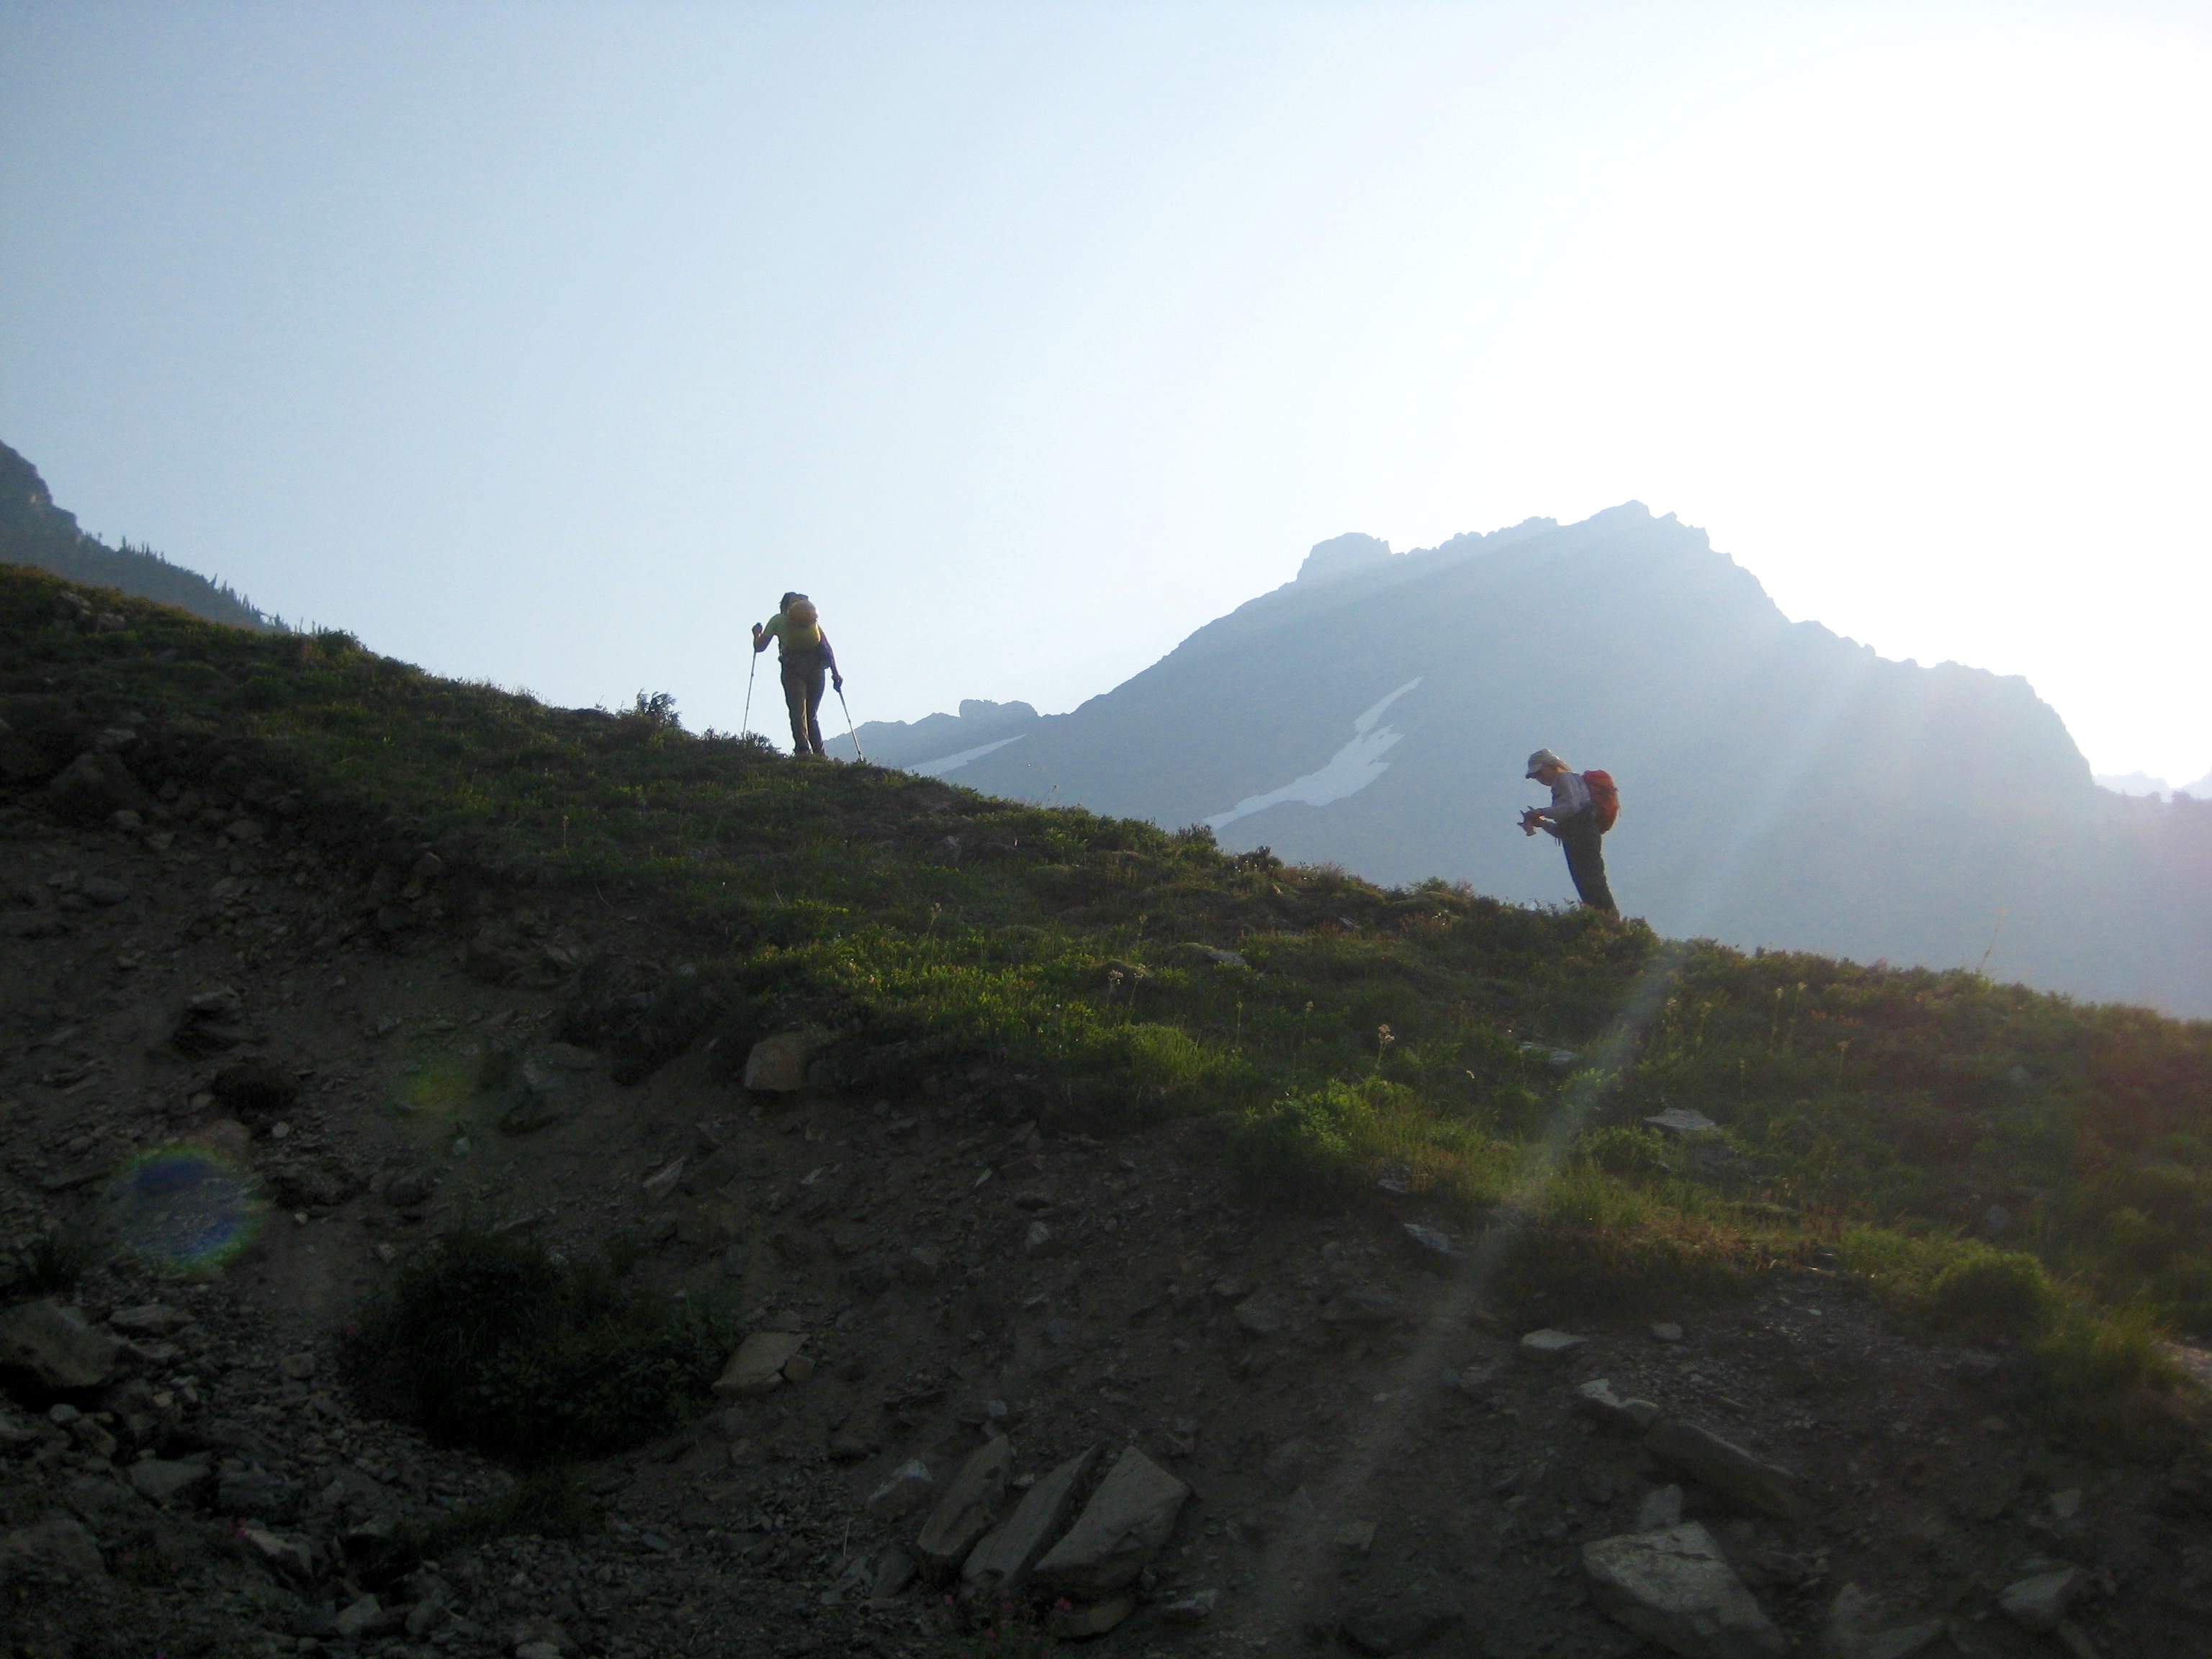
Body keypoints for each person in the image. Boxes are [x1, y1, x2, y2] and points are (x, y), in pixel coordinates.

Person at [1520, 747, 1617, 914]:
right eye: (1535, 776)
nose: (1539, 778)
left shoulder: (1565, 779)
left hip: (1583, 835)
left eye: (1539, 772)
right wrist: (1542, 823)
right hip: (1577, 837)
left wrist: (1542, 812)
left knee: (1592, 880)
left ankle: (1610, 922)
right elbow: (1563, 830)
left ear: (1550, 765)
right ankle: (1600, 921)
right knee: (1586, 882)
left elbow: (1572, 807)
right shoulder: (1559, 787)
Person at [752, 593, 842, 759]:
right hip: (816, 669)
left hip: (792, 668)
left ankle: (802, 750)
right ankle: (820, 755)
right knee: (811, 714)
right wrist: (835, 674)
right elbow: (826, 647)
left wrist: (756, 634)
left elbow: (760, 647)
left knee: (797, 710)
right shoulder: (812, 624)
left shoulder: (778, 620)